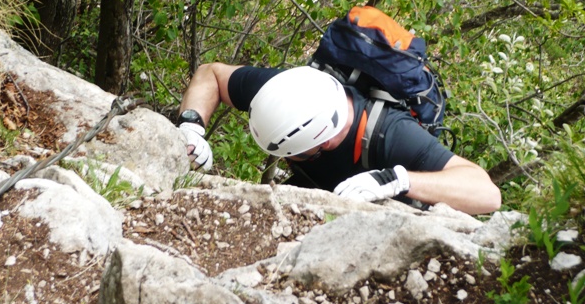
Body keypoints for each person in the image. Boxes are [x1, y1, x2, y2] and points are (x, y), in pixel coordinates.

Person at [176, 63, 501, 215]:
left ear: (324, 145)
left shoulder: (391, 134)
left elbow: (486, 194)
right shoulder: (283, 94)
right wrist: (191, 126)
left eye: (298, 154)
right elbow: (211, 74)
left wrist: (398, 180)